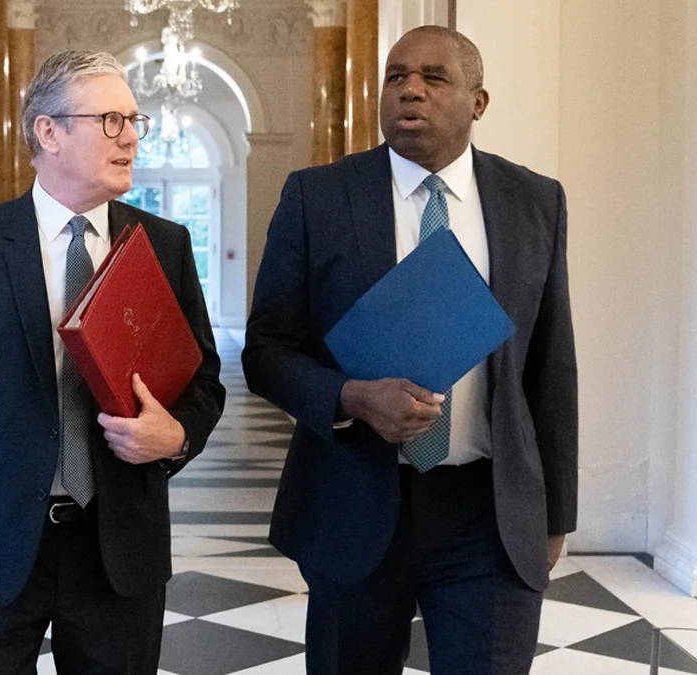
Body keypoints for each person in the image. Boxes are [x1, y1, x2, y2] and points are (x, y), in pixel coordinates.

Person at [243, 26, 577, 675]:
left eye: (433, 77)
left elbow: (551, 363)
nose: (410, 90)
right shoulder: (318, 198)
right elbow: (266, 349)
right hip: (355, 504)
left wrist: (556, 509)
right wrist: (349, 397)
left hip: (489, 513)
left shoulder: (534, 201)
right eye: (396, 77)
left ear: (478, 102)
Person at [0, 50, 224, 675]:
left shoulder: (165, 244)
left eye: (133, 120)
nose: (130, 137)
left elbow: (203, 382)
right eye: (109, 120)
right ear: (49, 131)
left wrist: (175, 435)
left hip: (120, 549)